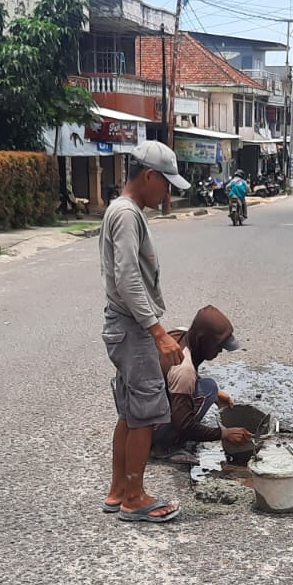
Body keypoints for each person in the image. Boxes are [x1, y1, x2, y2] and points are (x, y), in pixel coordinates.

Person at [100, 140, 190, 524]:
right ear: (149, 176)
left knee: (131, 413)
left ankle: (119, 490)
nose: (168, 192)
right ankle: (134, 497)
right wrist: (157, 331)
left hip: (127, 326)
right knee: (146, 413)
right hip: (133, 328)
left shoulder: (126, 212)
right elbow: (127, 277)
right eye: (165, 184)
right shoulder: (126, 214)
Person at [152, 305, 253, 454]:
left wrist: (218, 393)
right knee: (208, 389)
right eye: (217, 346)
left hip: (141, 410)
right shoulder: (184, 370)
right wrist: (224, 434)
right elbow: (183, 425)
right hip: (150, 427)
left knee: (212, 389)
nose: (219, 351)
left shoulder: (180, 334)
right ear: (204, 341)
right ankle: (164, 447)